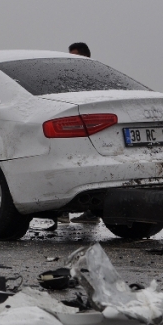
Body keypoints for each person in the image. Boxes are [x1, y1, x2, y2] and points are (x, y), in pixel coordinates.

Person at [60, 42, 99, 224]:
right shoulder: (71, 79)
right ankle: (64, 211)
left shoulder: (93, 79)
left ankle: (91, 212)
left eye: (73, 56)